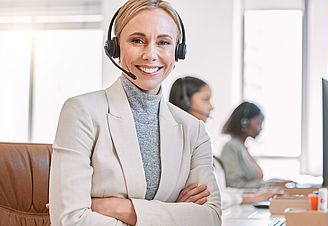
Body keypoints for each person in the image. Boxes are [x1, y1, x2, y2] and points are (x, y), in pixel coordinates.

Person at [49, 1, 221, 225]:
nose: (150, 54)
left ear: (178, 51)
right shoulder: (82, 112)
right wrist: (173, 213)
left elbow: (210, 218)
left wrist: (118, 207)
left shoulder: (193, 130)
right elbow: (70, 220)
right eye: (137, 40)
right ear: (116, 48)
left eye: (164, 42)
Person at [169, 77, 284, 209]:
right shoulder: (177, 145)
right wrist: (252, 197)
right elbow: (207, 195)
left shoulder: (199, 142)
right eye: (205, 99)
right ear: (186, 102)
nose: (211, 107)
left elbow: (216, 193)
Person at [219, 101, 267, 189]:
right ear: (244, 122)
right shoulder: (231, 147)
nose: (260, 128)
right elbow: (234, 184)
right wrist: (265, 185)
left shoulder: (242, 148)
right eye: (258, 123)